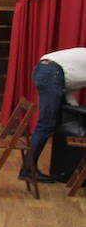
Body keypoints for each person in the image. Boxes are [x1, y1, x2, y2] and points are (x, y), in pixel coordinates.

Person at [25, 47, 86, 181]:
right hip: (52, 73)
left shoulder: (80, 65)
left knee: (53, 123)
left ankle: (34, 168)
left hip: (47, 70)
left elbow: (69, 84)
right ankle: (28, 169)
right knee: (46, 124)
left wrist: (74, 108)